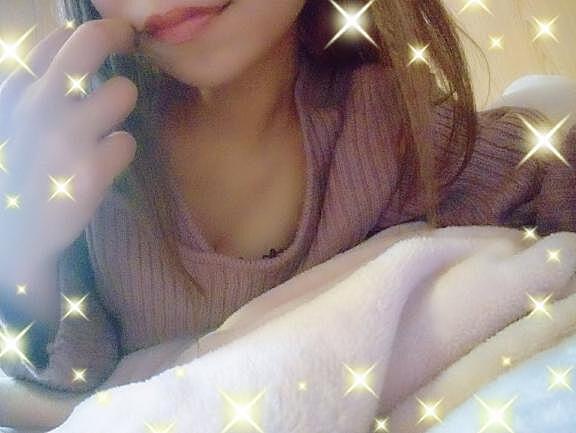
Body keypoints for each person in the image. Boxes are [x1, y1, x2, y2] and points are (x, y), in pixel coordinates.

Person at [0, 0, 574, 397]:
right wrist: (20, 261)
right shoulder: (79, 164)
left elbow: (546, 172)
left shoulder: (391, 127)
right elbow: (54, 380)